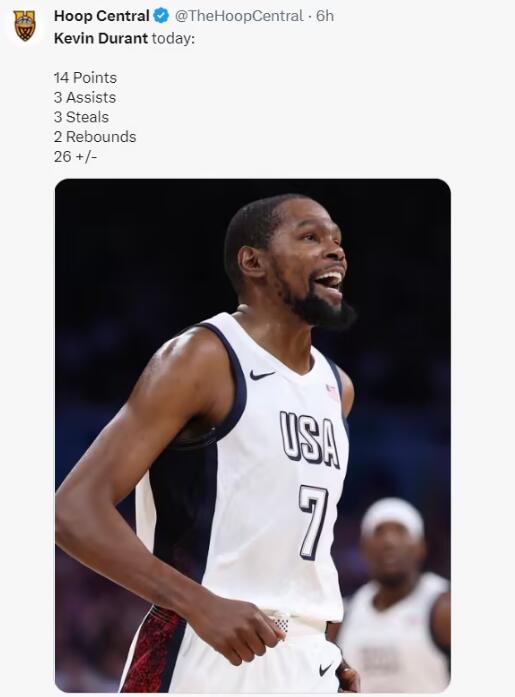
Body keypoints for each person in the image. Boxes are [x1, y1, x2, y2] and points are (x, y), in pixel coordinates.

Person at [55, 194, 361, 693]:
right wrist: (198, 604)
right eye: (311, 237)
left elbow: (290, 542)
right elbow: (72, 510)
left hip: (306, 660)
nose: (336, 251)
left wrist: (318, 648)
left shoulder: (337, 387)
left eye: (337, 240)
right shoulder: (203, 357)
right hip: (204, 648)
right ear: (253, 261)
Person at [334, 498, 450, 692]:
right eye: (378, 532)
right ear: (363, 548)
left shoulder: (444, 608)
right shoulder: (343, 614)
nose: (389, 541)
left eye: (401, 531)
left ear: (421, 547)